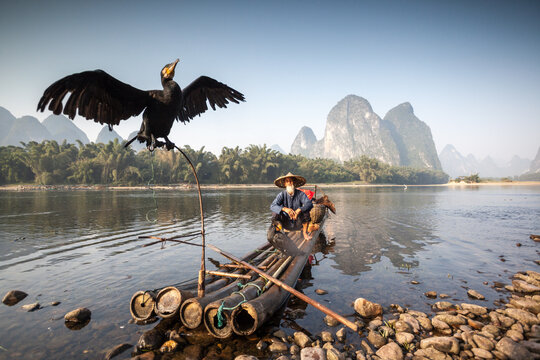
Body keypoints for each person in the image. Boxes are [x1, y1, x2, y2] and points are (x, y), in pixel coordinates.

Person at [270, 172, 314, 240]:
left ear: (294, 183)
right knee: (275, 213)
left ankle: (305, 233)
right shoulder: (282, 195)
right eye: (287, 181)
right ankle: (278, 233)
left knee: (306, 211)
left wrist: (299, 210)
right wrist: (285, 209)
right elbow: (272, 206)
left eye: (291, 181)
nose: (289, 183)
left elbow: (309, 204)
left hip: (298, 222)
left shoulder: (300, 194)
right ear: (285, 184)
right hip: (286, 222)